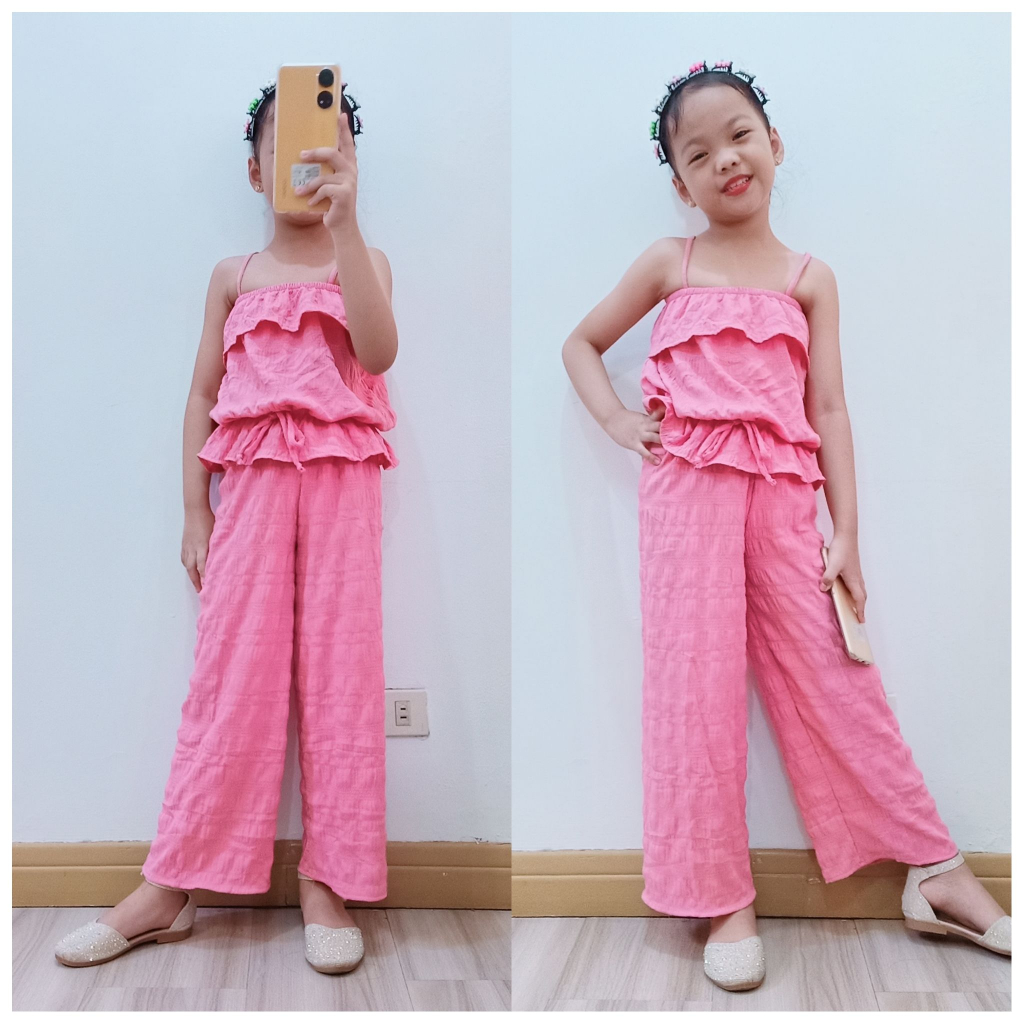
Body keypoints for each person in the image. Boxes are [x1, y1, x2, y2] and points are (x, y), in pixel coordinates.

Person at [561, 59, 1010, 992]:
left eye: (739, 136)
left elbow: (830, 408)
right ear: (679, 183)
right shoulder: (669, 261)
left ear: (773, 143)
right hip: (685, 493)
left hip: (782, 494)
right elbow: (580, 342)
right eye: (697, 153)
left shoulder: (811, 278)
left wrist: (847, 533)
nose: (725, 159)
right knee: (695, 687)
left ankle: (935, 870)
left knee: (837, 674)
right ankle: (721, 896)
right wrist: (616, 419)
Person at [55, 75, 398, 976]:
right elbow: (202, 394)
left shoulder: (361, 259)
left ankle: (329, 880)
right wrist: (193, 509)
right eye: (284, 147)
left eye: (329, 143)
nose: (307, 160)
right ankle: (171, 884)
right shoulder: (231, 277)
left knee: (341, 679)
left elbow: (379, 352)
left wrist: (348, 228)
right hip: (247, 491)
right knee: (230, 680)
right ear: (255, 172)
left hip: (342, 487)